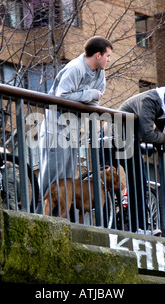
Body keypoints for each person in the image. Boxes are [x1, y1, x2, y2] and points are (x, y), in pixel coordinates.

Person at [37, 36, 113, 213]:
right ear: (97, 55)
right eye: (107, 56)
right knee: (52, 179)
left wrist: (90, 97)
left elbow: (94, 104)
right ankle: (39, 219)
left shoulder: (100, 73)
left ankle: (60, 224)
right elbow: (62, 97)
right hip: (55, 128)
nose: (109, 60)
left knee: (67, 181)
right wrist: (90, 93)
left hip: (72, 131)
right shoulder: (74, 69)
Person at [118, 84, 165, 234]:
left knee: (139, 181)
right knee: (138, 181)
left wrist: (164, 142)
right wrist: (163, 137)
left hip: (131, 140)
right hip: (117, 138)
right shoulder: (150, 101)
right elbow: (147, 134)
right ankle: (140, 228)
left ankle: (136, 225)